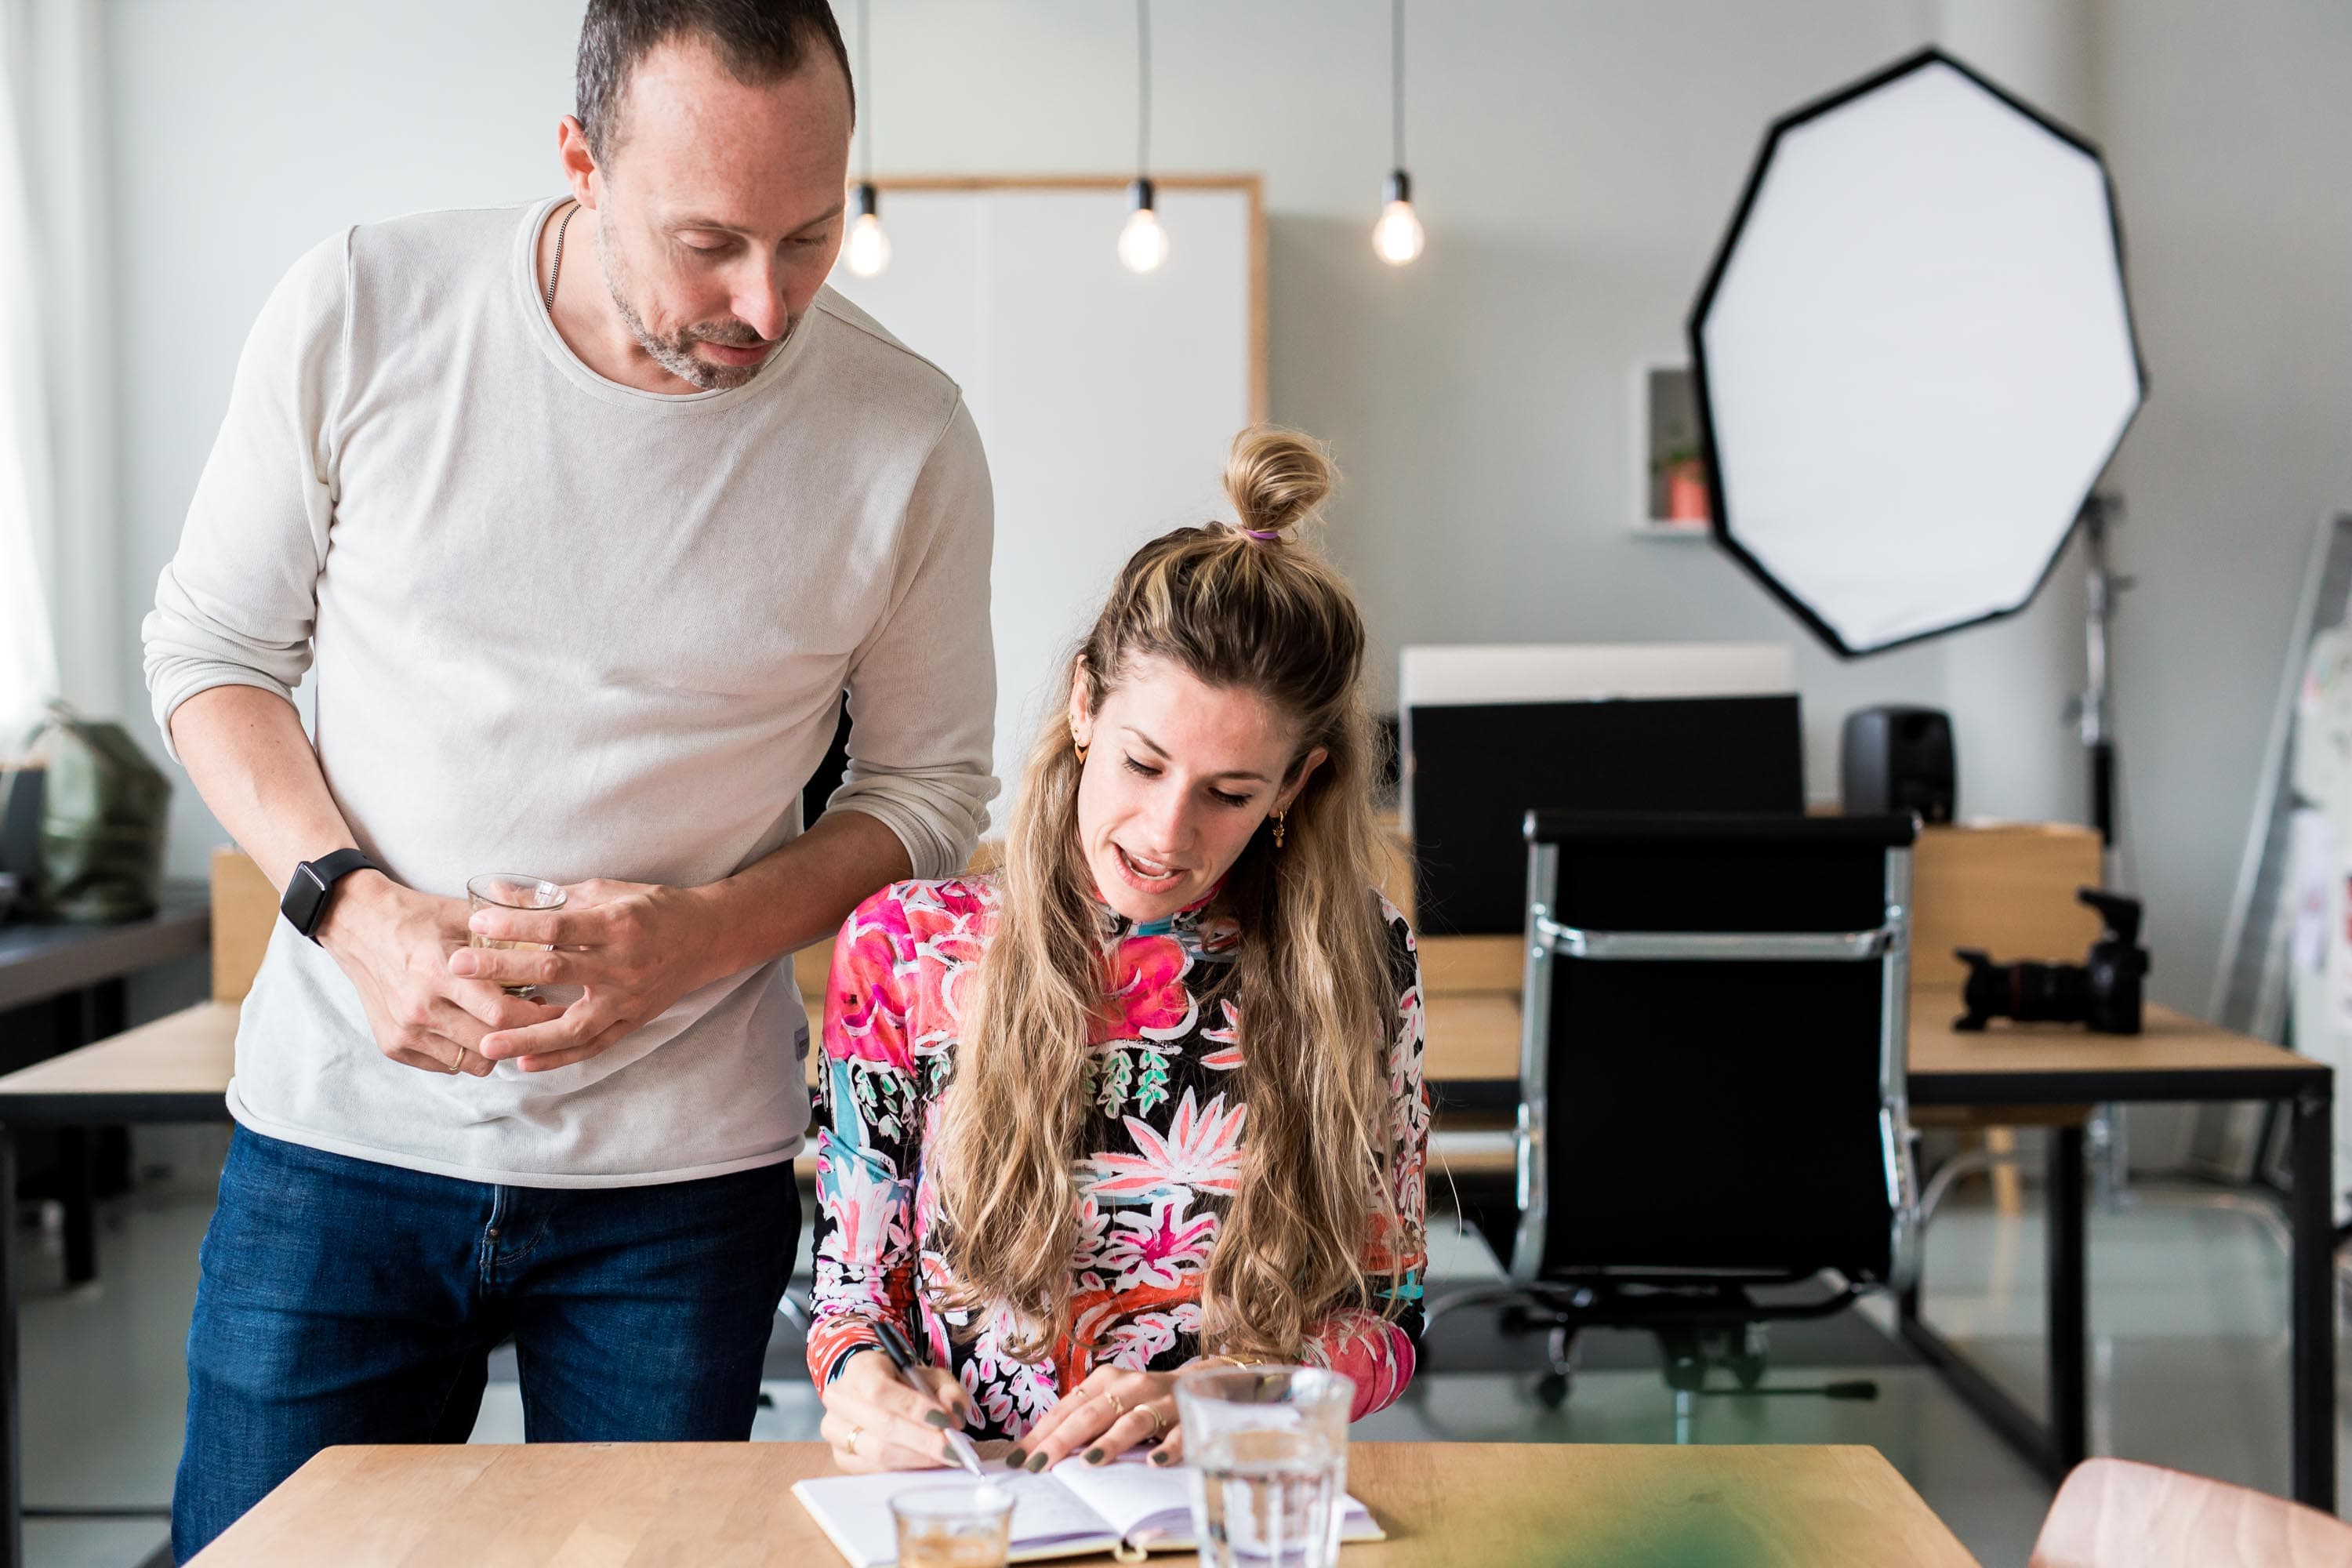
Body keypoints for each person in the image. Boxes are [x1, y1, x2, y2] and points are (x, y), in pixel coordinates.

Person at [141, 1, 995, 1554]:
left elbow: (929, 794)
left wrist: (708, 935)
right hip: (338, 1134)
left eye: (813, 234)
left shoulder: (907, 431)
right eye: (708, 242)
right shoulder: (364, 306)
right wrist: (355, 911)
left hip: (683, 1182)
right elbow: (210, 657)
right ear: (579, 163)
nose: (765, 299)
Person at [805, 428, 1428, 1472]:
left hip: (1227, 1502)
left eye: (1231, 793)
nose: (1167, 832)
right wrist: (863, 1388)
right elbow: (853, 1302)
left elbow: (1391, 1314)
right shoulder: (906, 950)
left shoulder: (1359, 955)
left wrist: (1251, 1399)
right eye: (1144, 763)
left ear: (1297, 786)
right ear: (1086, 704)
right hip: (984, 1508)